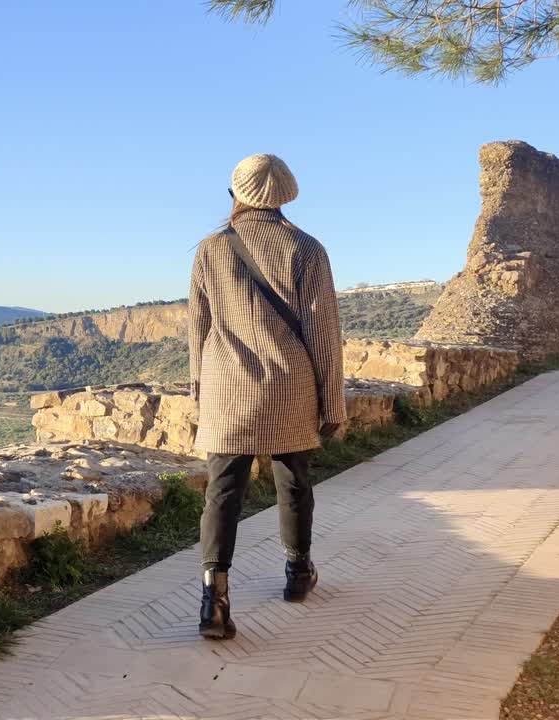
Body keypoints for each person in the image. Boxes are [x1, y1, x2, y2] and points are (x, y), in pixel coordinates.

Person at [187, 154, 345, 640]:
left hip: (228, 389)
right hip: (288, 386)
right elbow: (322, 335)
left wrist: (200, 399)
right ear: (284, 196)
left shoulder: (211, 250)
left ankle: (214, 598)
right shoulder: (307, 249)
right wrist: (332, 403)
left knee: (223, 492)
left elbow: (199, 330)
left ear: (234, 194)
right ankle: (299, 574)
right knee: (293, 482)